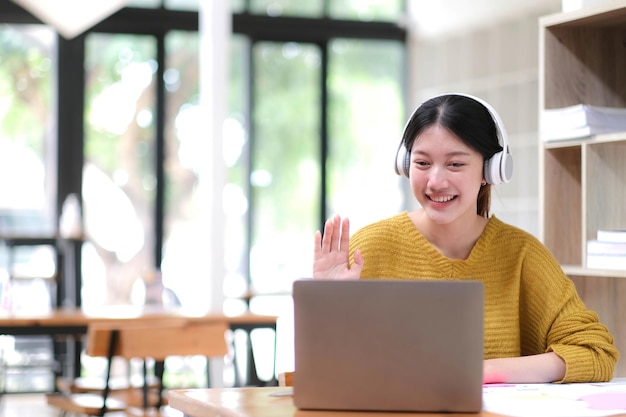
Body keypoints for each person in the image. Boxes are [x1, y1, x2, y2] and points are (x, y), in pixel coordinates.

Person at [313, 93, 618, 384]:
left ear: (490, 169)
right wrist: (327, 308)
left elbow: (596, 354)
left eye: (455, 164)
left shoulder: (521, 254)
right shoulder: (367, 250)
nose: (435, 181)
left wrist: (487, 371)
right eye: (422, 163)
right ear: (406, 166)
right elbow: (327, 371)